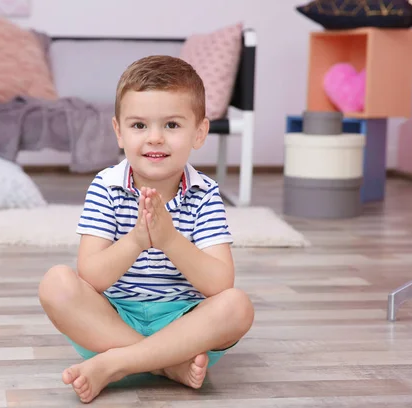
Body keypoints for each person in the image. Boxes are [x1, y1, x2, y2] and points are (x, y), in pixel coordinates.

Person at [38, 55, 254, 403]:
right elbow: (91, 276)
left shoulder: (205, 193)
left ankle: (118, 363)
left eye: (171, 125)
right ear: (119, 132)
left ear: (199, 133)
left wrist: (168, 239)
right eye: (139, 126)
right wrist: (138, 240)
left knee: (238, 305)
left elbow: (219, 284)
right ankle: (166, 365)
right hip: (111, 322)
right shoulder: (106, 186)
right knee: (55, 283)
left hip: (184, 325)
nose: (154, 138)